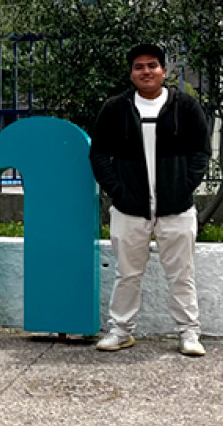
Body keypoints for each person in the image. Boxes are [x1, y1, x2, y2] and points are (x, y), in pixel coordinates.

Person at [90, 44, 210, 356]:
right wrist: (117, 191)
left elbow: (201, 153)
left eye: (152, 65)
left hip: (176, 207)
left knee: (182, 274)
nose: (146, 71)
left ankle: (188, 333)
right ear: (131, 73)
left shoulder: (185, 107)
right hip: (130, 208)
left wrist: (183, 187)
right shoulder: (115, 109)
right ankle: (120, 330)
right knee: (128, 274)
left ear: (164, 71)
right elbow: (99, 154)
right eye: (139, 66)